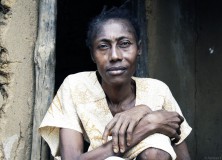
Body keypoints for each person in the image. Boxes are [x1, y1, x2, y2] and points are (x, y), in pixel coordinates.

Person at [39, 6, 192, 160]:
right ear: (92, 55)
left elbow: (182, 156)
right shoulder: (76, 86)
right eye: (103, 46)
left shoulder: (157, 91)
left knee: (156, 149)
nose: (114, 56)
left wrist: (142, 110)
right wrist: (149, 123)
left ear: (139, 48)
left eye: (124, 43)